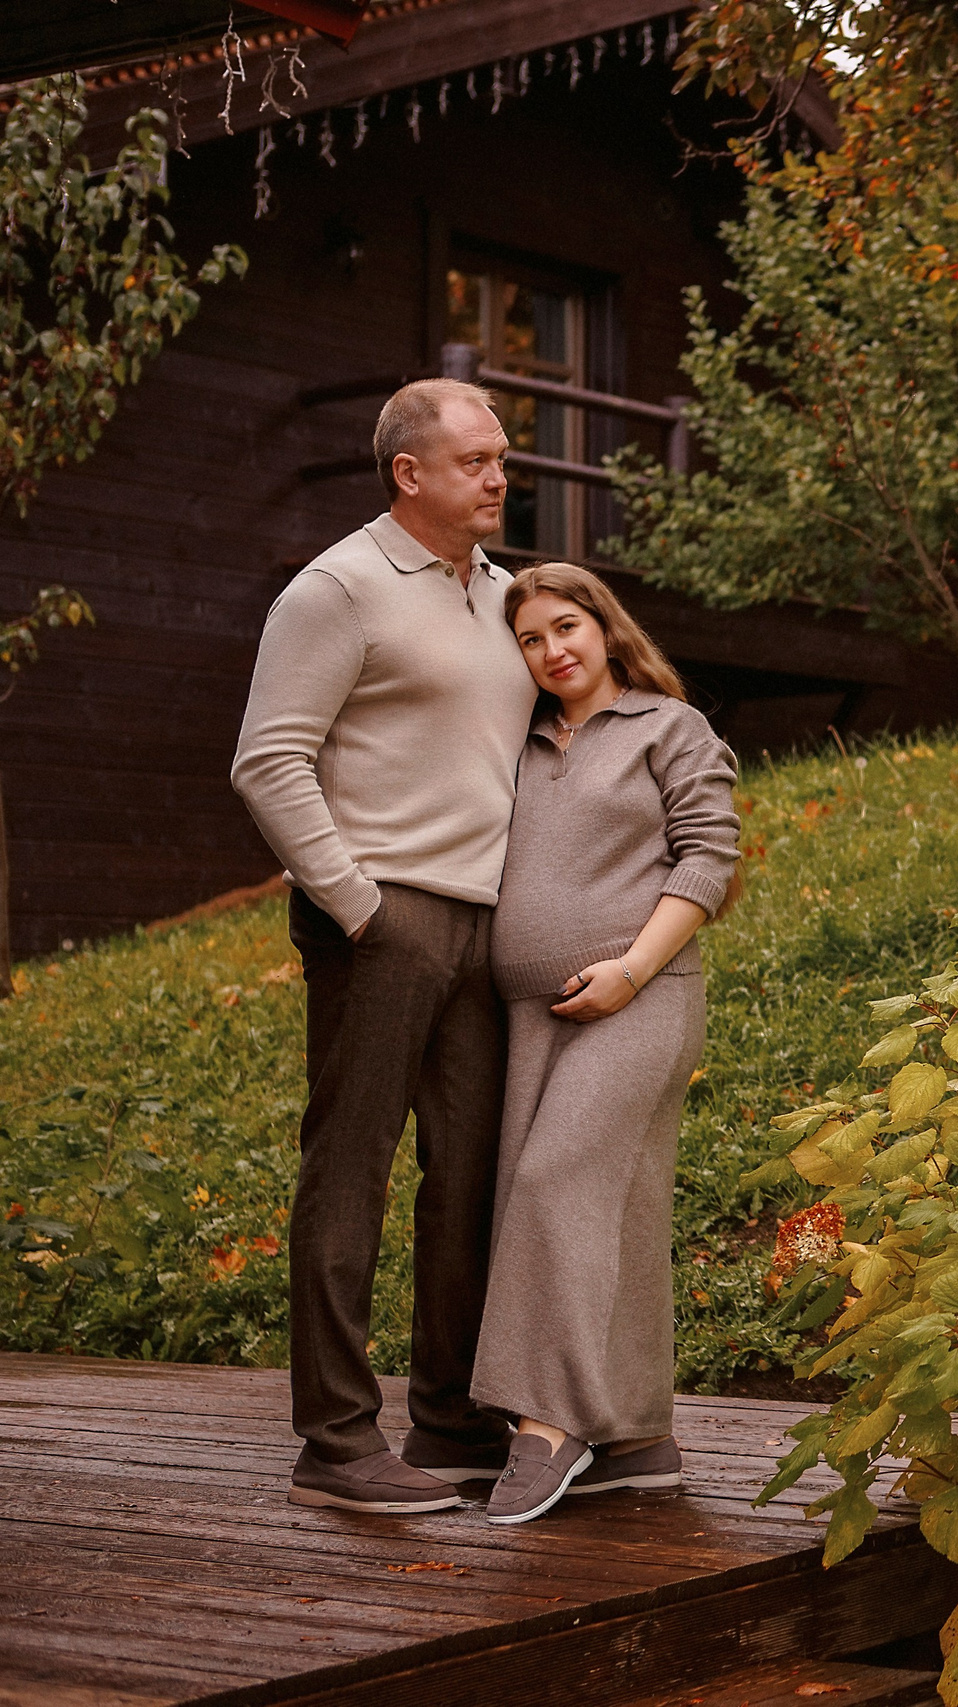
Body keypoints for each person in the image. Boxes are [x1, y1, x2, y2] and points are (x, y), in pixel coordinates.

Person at [232, 378, 536, 1512]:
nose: (499, 477)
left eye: (501, 458)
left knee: (467, 1178)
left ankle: (450, 1420)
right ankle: (336, 1439)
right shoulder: (338, 587)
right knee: (351, 1169)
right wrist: (359, 906)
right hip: (381, 920)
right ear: (409, 473)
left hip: (485, 925)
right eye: (475, 461)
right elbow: (268, 760)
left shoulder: (505, 595)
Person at [471, 563, 738, 1524]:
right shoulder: (519, 742)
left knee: (555, 1183)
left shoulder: (669, 727)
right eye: (530, 639)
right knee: (607, 1207)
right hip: (530, 1014)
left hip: (641, 995)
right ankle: (635, 1438)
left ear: (605, 626)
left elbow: (709, 856)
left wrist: (630, 967)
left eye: (566, 626)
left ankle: (547, 1423)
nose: (552, 650)